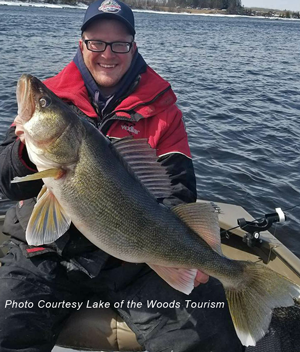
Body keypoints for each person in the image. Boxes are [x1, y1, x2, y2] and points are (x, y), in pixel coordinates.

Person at [0, 1, 244, 351]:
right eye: (96, 42)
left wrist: (184, 254)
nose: (107, 54)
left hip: (133, 262)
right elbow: (5, 179)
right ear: (81, 44)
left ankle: (245, 283)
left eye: (119, 44)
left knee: (204, 335)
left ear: (134, 46)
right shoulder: (52, 101)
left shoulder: (162, 109)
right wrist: (25, 152)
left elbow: (178, 190)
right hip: (48, 254)